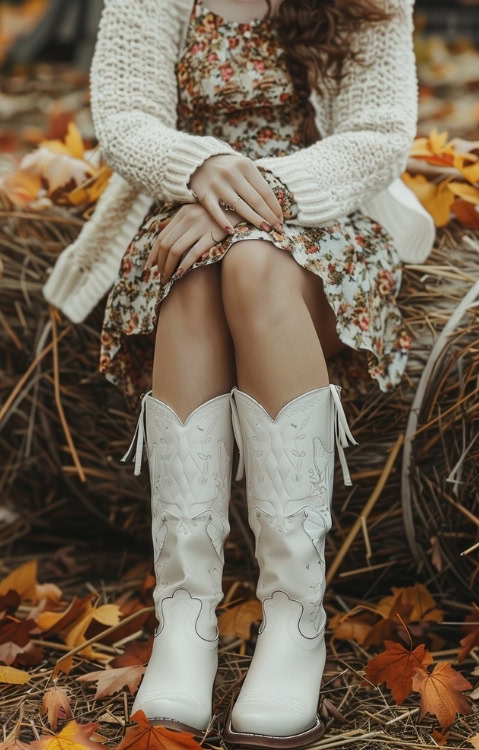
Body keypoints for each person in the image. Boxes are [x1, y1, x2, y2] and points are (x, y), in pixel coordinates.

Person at [78, 0, 420, 745]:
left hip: (318, 221)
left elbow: (378, 137)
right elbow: (127, 121)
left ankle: (296, 621)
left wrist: (248, 196)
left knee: (252, 265)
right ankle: (187, 621)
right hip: (183, 221)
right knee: (201, 278)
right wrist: (203, 169)